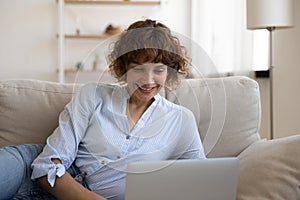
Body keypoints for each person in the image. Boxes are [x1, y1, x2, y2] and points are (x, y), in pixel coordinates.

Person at [0, 19, 206, 200]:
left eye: (158, 70)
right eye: (138, 69)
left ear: (169, 71)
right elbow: (46, 166)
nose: (149, 80)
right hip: (29, 168)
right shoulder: (93, 95)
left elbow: (203, 183)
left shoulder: (181, 120)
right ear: (124, 67)